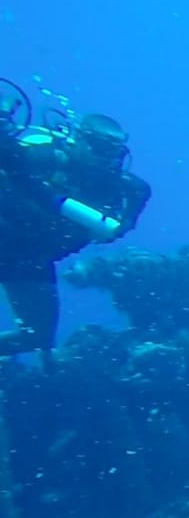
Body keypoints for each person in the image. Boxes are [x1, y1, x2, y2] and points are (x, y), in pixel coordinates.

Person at [0, 89, 151, 357]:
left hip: (30, 259)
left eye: (115, 151)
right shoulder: (42, 158)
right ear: (78, 140)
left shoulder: (121, 187)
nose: (108, 158)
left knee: (37, 336)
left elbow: (139, 193)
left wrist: (126, 221)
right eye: (101, 148)